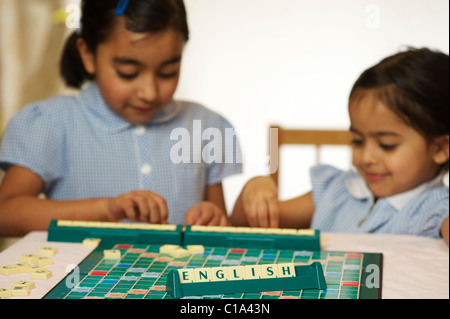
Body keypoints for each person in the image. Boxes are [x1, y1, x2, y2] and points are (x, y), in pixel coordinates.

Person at [0, 0, 242, 237]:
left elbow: (219, 225)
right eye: (128, 74)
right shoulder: (52, 122)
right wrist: (104, 210)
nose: (149, 92)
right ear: (88, 54)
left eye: (168, 72)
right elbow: (6, 213)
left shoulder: (203, 125)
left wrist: (212, 217)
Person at [231, 48, 449, 243]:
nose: (366, 157)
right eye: (357, 141)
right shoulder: (336, 190)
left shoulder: (437, 209)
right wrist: (254, 189)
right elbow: (244, 225)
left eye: (386, 145)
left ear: (441, 148)